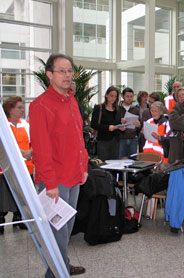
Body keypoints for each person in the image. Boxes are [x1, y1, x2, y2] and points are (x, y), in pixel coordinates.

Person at [29, 54, 88, 277]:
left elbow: (78, 138)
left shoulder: (71, 100)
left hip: (74, 175)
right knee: (57, 231)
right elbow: (41, 149)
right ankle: (56, 272)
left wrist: (83, 167)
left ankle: (62, 264)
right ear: (49, 75)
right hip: (55, 181)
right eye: (61, 71)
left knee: (67, 228)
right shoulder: (40, 106)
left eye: (69, 71)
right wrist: (49, 183)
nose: (67, 75)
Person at [0, 96, 33, 234]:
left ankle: (20, 217)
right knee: (4, 196)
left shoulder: (25, 124)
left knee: (24, 195)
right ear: (10, 110)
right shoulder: (3, 126)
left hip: (26, 167)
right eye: (19, 107)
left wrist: (29, 152)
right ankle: (1, 218)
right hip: (7, 168)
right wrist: (20, 152)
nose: (22, 110)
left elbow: (35, 141)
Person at [90, 86, 121, 161]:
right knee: (103, 163)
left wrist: (121, 126)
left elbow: (117, 124)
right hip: (103, 141)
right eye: (111, 96)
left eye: (115, 96)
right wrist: (107, 127)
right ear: (106, 95)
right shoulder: (99, 108)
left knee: (115, 164)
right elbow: (93, 124)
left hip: (115, 141)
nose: (113, 98)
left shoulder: (117, 109)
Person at [116, 87, 141, 159]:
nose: (129, 98)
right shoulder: (117, 109)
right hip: (121, 139)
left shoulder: (136, 110)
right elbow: (113, 123)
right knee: (120, 160)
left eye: (131, 96)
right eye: (127, 96)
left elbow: (140, 124)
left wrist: (139, 125)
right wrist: (119, 122)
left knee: (133, 161)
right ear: (122, 96)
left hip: (133, 138)